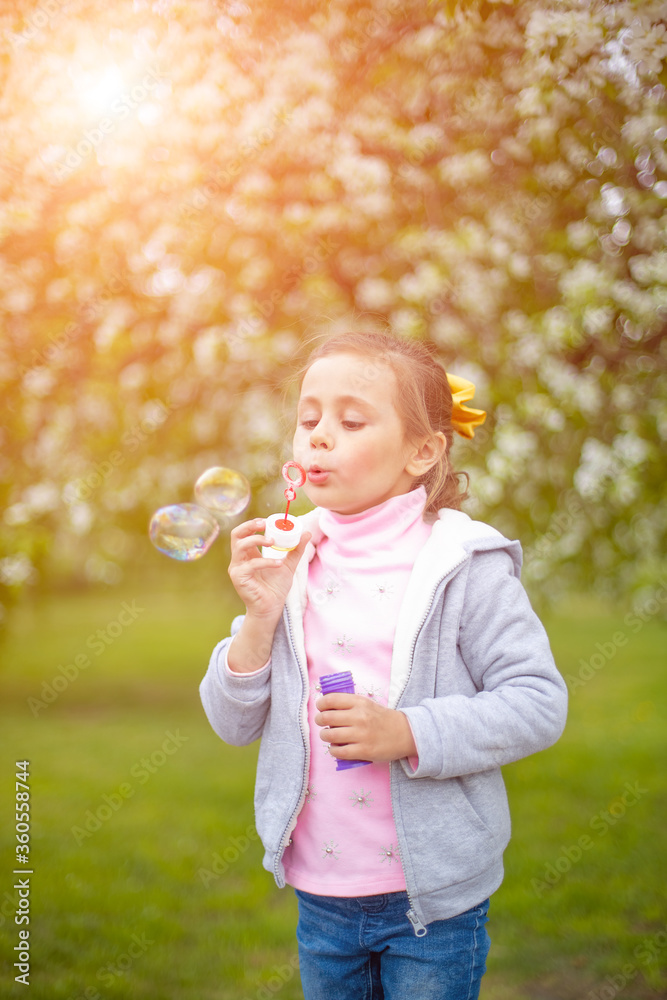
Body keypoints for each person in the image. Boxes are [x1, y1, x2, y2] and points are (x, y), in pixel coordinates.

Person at [199, 329, 568, 1000]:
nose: (317, 435)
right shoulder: (292, 558)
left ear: (422, 451)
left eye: (350, 419)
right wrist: (258, 617)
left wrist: (408, 733)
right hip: (321, 893)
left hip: (430, 901)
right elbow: (230, 722)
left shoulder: (463, 566)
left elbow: (537, 702)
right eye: (307, 418)